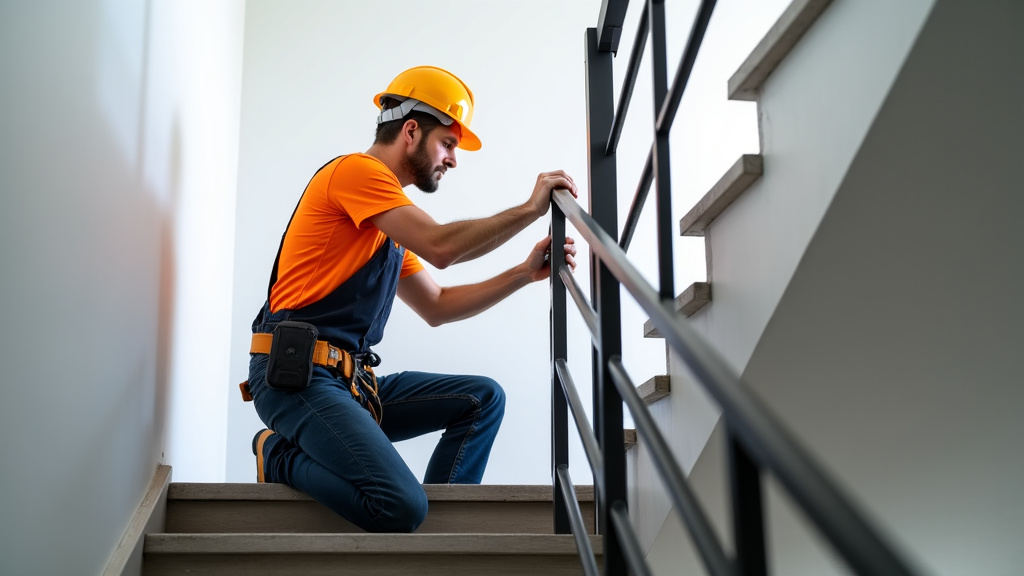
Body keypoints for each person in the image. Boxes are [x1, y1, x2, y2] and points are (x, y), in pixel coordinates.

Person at [242, 65, 578, 533]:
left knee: (482, 398)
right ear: (412, 130)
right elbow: (441, 247)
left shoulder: (387, 227)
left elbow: (437, 305)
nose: (453, 160)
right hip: (296, 379)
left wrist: (523, 274)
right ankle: (276, 454)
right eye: (449, 143)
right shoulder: (357, 173)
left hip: (351, 384)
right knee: (398, 505)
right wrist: (528, 209)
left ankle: (439, 537)